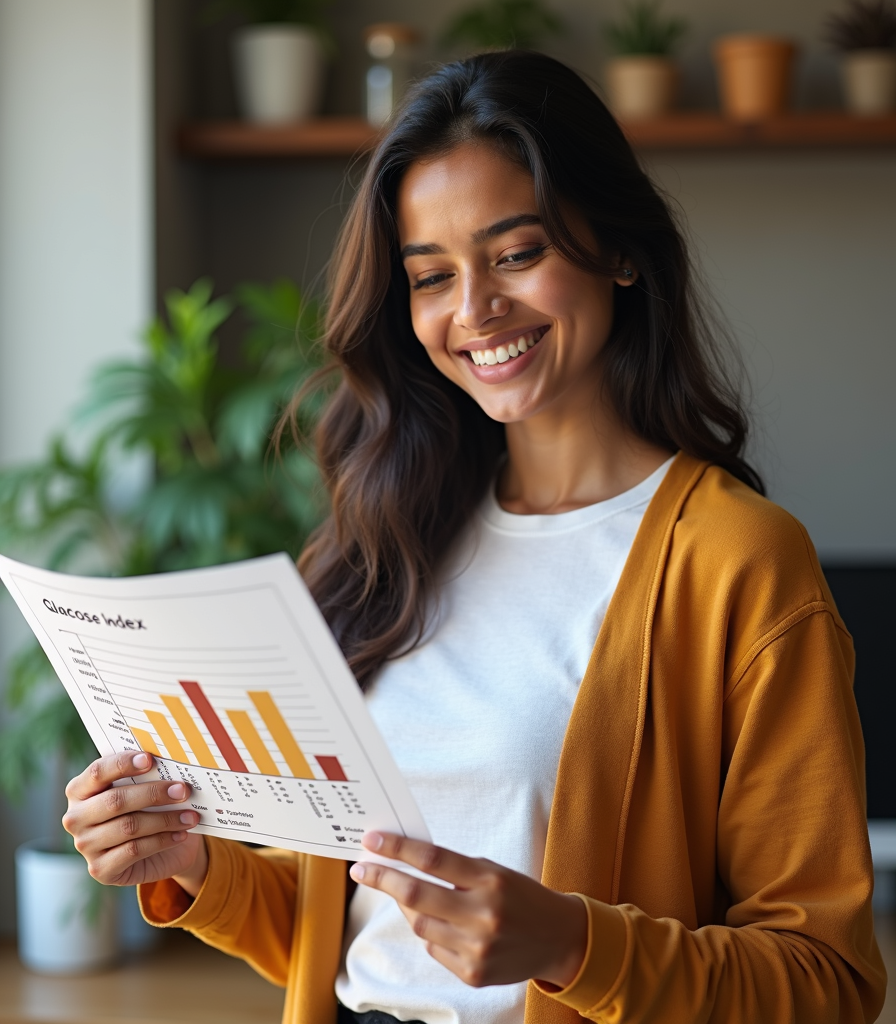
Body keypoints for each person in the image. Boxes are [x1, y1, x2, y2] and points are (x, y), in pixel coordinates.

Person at [62, 50, 886, 1024]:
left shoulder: (739, 561)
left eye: (516, 252)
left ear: (619, 250)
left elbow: (825, 981)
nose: (473, 309)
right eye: (430, 276)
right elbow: (349, 935)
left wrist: (576, 943)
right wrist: (192, 865)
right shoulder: (386, 539)